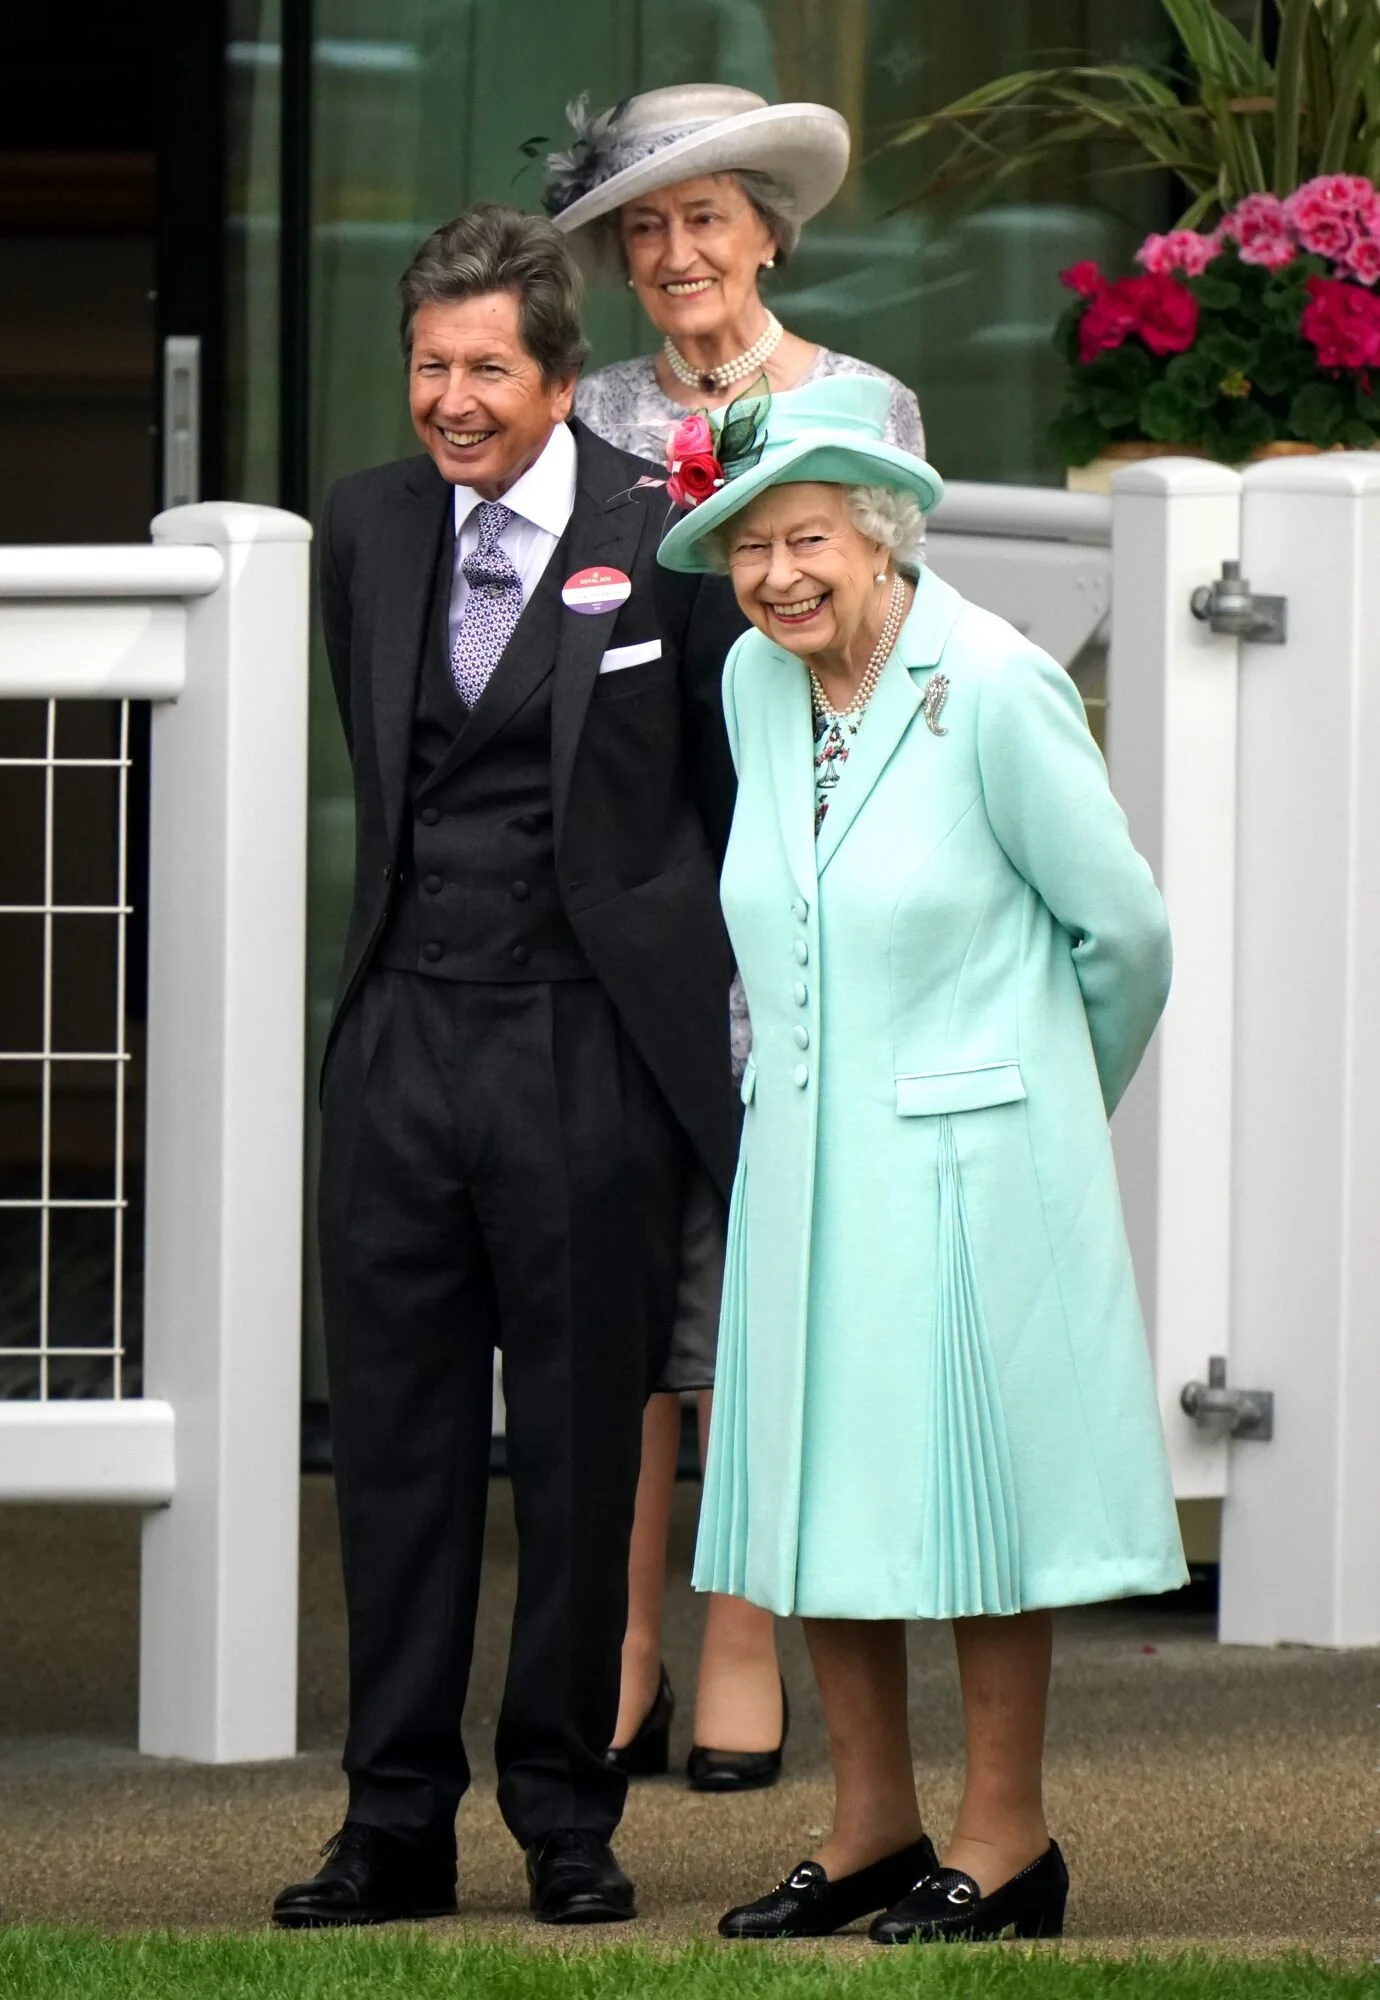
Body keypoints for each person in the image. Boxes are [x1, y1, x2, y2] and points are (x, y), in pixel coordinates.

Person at [656, 375, 1187, 1943]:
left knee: (977, 1505)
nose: (775, 577)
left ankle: (1007, 1841)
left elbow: (1128, 937)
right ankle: (872, 1824)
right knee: (818, 1489)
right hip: (801, 1155)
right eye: (747, 548)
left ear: (882, 537)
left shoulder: (999, 684)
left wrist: (1033, 1106)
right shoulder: (759, 684)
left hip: (972, 1170)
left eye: (805, 538)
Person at [273, 204, 741, 1931]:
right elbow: (382, 758)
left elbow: (712, 794)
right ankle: (390, 1823)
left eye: (486, 368)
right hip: (399, 1036)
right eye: (429, 364)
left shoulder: (665, 540)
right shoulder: (369, 526)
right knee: (390, 1451)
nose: (451, 400)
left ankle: (565, 1814)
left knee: (572, 1448)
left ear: (561, 382)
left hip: (580, 1049)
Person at [543, 80, 926, 1795]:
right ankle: (620, 1636)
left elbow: (899, 652)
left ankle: (745, 1629)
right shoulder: (592, 409)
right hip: (630, 885)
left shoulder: (859, 402)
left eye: (708, 217)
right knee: (624, 1259)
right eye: (645, 226)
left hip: (800, 858)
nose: (678, 250)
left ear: (770, 228)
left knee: (766, 1261)